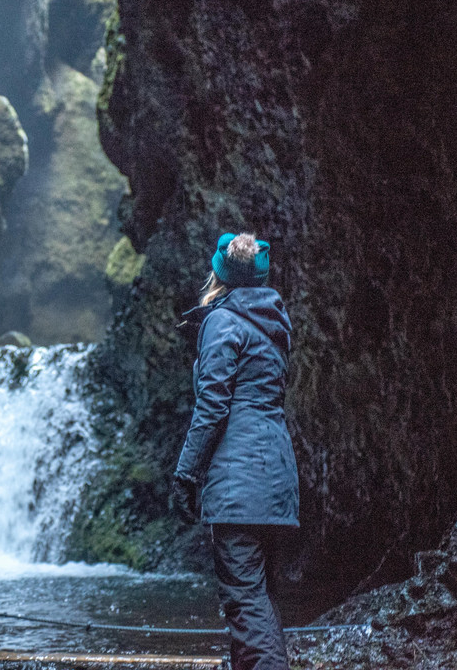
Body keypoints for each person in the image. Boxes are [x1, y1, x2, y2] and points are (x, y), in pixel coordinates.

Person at [172, 232, 299, 670]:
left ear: (220, 275)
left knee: (245, 603)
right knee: (261, 603)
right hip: (278, 481)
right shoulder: (275, 324)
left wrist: (186, 474)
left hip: (239, 485)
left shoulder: (222, 322)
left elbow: (213, 405)